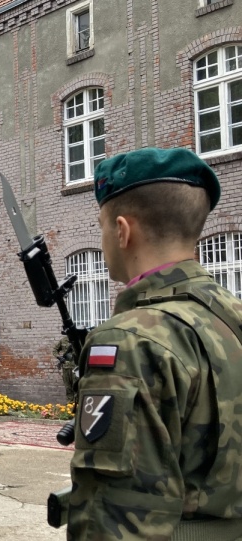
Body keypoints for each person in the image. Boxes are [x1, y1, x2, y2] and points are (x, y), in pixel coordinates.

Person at [67, 147, 242, 539]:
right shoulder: (232, 318)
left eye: (101, 226)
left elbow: (117, 521)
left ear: (122, 231)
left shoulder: (128, 341)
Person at [52, 335, 77, 404]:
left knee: (76, 387)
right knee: (68, 387)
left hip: (76, 367)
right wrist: (59, 357)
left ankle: (77, 405)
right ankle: (70, 405)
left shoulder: (78, 339)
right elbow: (54, 350)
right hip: (66, 367)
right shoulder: (63, 340)